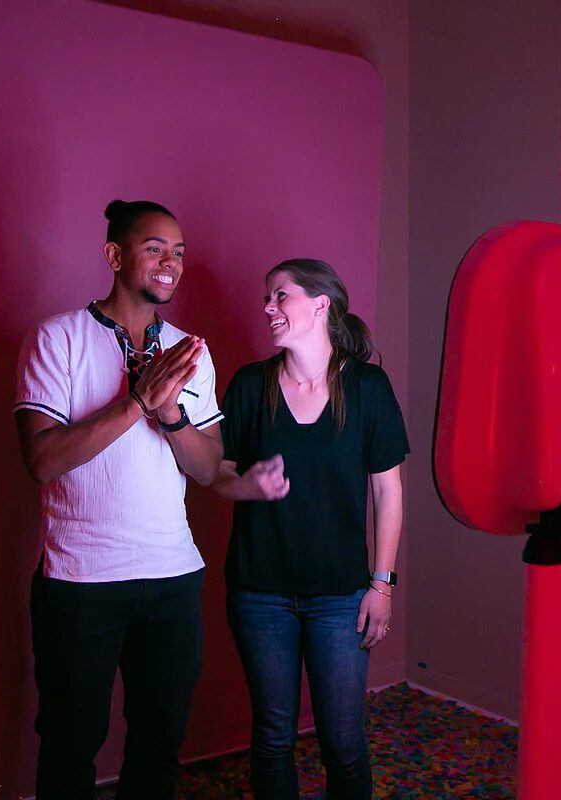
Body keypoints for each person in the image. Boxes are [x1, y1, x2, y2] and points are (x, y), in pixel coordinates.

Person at [14, 199, 223, 800]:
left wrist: (170, 414)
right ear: (114, 255)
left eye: (178, 252)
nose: (170, 263)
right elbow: (42, 459)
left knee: (159, 746)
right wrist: (136, 401)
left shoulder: (191, 351)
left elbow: (208, 468)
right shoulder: (57, 338)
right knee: (69, 745)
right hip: (80, 582)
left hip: (173, 580)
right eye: (154, 247)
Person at [213, 258, 408, 800]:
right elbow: (218, 472)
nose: (267, 307)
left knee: (343, 741)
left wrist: (381, 584)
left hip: (341, 597)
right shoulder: (251, 384)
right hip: (259, 594)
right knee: (273, 737)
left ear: (322, 304)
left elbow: (387, 490)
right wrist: (245, 483)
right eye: (266, 297)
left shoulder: (368, 386)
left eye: (281, 296)